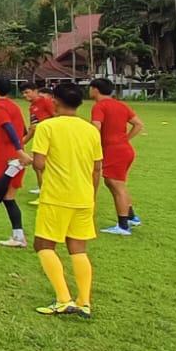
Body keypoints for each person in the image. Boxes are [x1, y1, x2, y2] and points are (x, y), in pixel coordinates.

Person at [29, 82, 102, 318]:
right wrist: (92, 195)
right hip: (84, 197)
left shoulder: (48, 127)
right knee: (78, 249)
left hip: (57, 196)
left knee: (43, 245)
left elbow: (39, 163)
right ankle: (84, 302)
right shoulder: (91, 130)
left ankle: (63, 299)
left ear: (55, 101)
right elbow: (97, 167)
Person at [89, 79, 145, 236]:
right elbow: (138, 124)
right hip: (125, 150)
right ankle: (132, 217)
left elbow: (95, 128)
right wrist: (125, 139)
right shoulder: (120, 105)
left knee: (116, 185)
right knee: (114, 183)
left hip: (114, 151)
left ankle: (123, 225)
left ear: (95, 89)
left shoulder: (99, 106)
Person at [0, 75, 29, 248]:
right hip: (15, 155)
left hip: (2, 156)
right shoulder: (14, 106)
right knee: (9, 198)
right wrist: (20, 149)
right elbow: (23, 130)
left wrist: (17, 150)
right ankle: (18, 236)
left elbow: (8, 127)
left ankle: (12, 168)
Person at [22, 81, 56, 197]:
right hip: (40, 139)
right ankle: (42, 188)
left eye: (27, 92)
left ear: (35, 91)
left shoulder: (45, 101)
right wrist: (21, 143)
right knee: (37, 166)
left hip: (50, 138)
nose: (25, 96)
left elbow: (56, 117)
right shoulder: (32, 107)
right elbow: (33, 128)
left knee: (41, 165)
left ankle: (46, 191)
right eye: (23, 93)